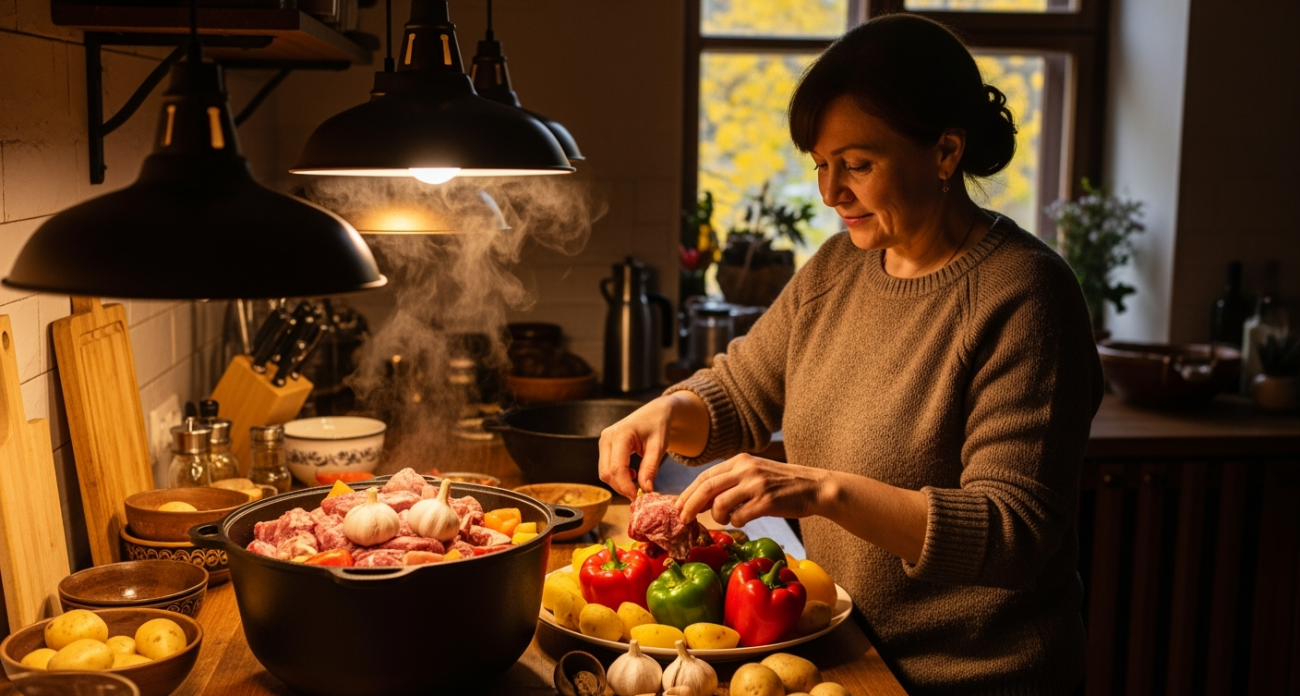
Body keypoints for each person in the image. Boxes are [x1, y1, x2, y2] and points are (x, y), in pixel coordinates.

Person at [597, 13, 1103, 696]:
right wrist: (665, 411)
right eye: (822, 166)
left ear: (946, 153)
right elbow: (740, 391)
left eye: (857, 165)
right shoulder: (840, 266)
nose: (831, 193)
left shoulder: (1026, 295)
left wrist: (818, 489)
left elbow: (1013, 532)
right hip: (852, 653)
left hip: (975, 677)